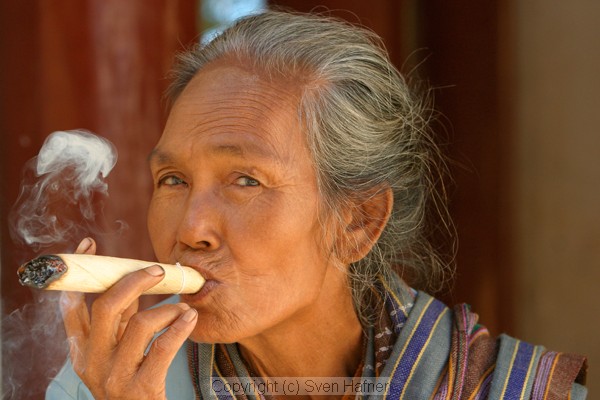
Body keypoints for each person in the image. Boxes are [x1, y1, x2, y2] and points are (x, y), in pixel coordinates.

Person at [46, 10, 586, 399]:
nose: (190, 229)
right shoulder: (109, 381)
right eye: (171, 179)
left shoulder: (507, 390)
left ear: (358, 221)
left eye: (246, 180)